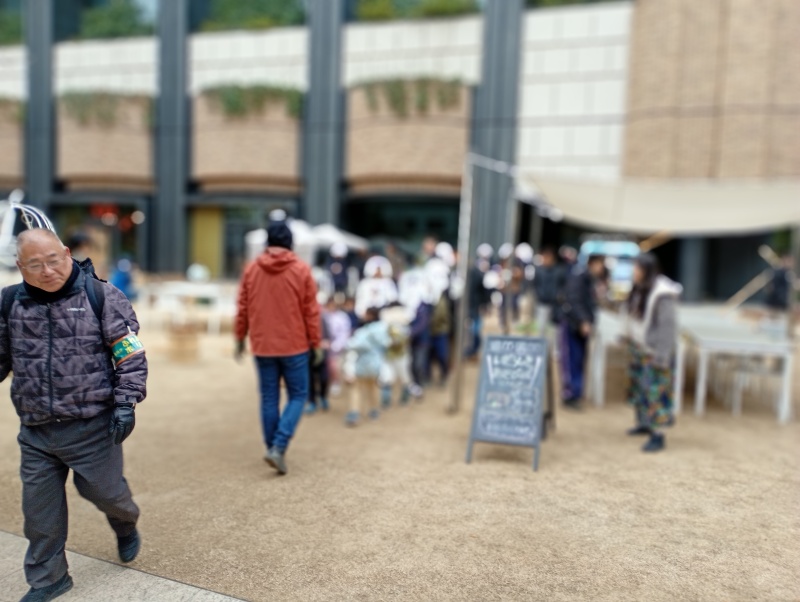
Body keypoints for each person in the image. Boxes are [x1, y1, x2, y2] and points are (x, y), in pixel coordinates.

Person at [0, 228, 147, 602]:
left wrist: (126, 403)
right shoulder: (9, 302)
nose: (47, 270)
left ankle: (124, 522)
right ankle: (49, 580)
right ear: (20, 266)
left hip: (92, 426)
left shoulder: (101, 296)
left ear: (66, 253)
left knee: (106, 494)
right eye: (35, 264)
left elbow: (129, 354)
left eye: (53, 260)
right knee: (39, 514)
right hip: (36, 428)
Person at [235, 218, 322, 475]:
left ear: (268, 242)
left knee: (269, 397)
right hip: (295, 344)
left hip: (263, 345)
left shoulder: (252, 269)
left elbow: (243, 308)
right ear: (290, 243)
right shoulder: (302, 270)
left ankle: (272, 446)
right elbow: (311, 311)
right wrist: (316, 343)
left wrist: (239, 338)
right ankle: (279, 446)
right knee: (298, 395)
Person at [624, 254, 682, 452]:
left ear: (646, 270)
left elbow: (667, 328)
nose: (633, 272)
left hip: (656, 352)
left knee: (657, 393)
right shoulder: (640, 289)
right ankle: (644, 423)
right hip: (641, 348)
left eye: (637, 268)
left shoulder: (663, 293)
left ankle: (658, 434)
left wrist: (662, 357)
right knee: (642, 390)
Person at [559, 254, 606, 409]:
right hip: (573, 324)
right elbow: (573, 299)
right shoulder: (579, 277)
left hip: (581, 326)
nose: (601, 268)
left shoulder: (590, 280)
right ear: (592, 263)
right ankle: (570, 393)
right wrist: (583, 320)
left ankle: (576, 392)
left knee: (579, 359)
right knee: (572, 359)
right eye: (600, 264)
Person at [344, 307, 390, 426]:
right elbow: (386, 344)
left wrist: (348, 343)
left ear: (371, 315)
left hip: (362, 364)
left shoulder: (365, 331)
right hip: (376, 364)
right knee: (374, 388)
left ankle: (354, 412)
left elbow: (354, 345)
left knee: (356, 389)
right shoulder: (383, 329)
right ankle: (374, 410)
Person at [465, 244, 493, 359]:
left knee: (475, 328)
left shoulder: (477, 271)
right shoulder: (475, 272)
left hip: (475, 304)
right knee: (473, 329)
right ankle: (472, 350)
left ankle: (473, 350)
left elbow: (484, 290)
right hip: (473, 304)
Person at [533, 247, 560, 332]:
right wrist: (539, 295)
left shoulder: (557, 271)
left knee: (553, 329)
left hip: (554, 304)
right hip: (542, 303)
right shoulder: (539, 271)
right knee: (541, 327)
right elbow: (535, 285)